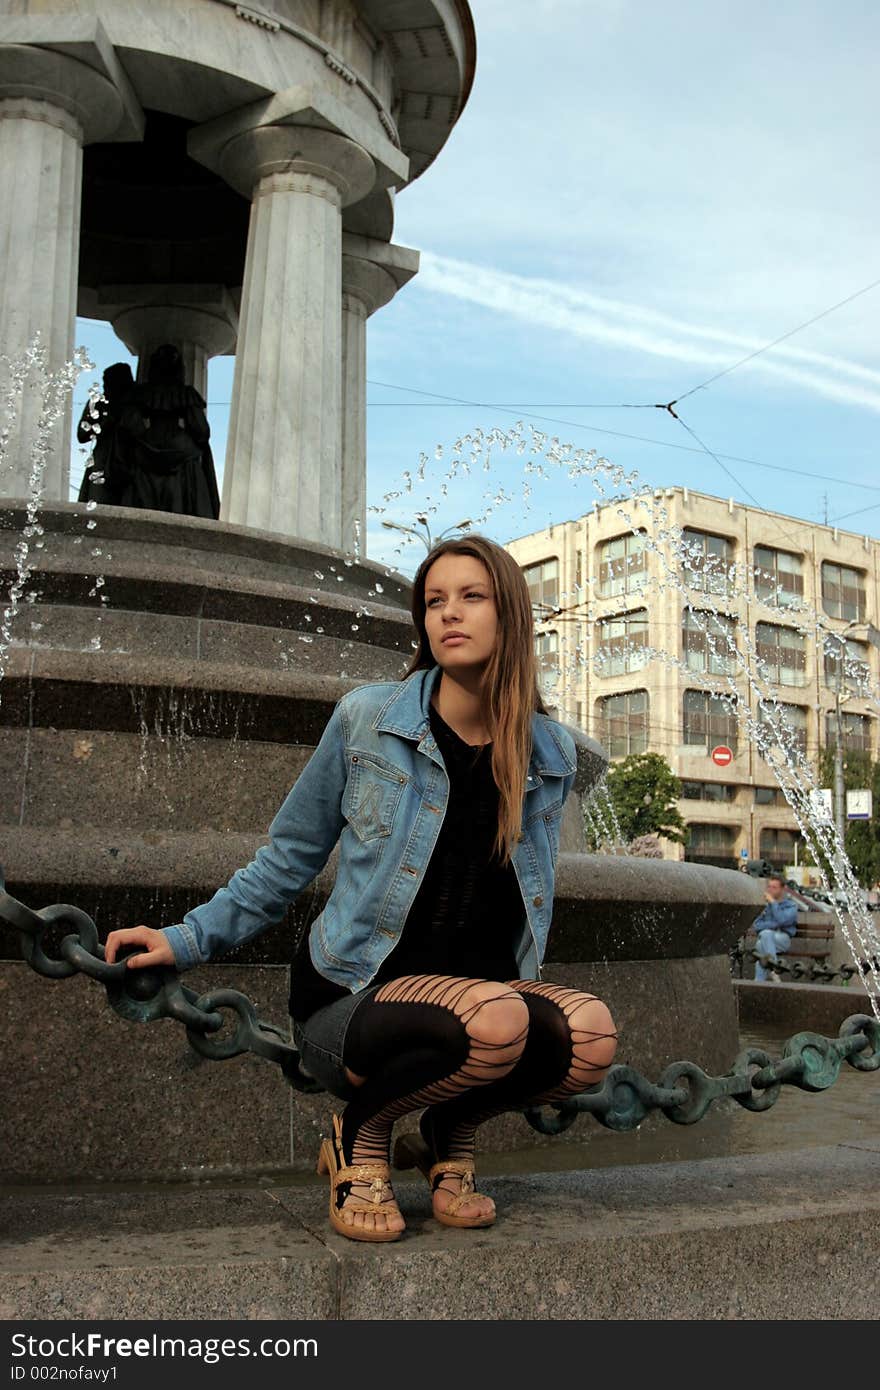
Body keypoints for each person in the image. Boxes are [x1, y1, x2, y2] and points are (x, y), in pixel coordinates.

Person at [104, 534, 618, 1242]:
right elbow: (286, 860)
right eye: (435, 601)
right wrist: (183, 939)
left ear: (511, 617)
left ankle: (448, 1130)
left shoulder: (550, 754)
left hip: (483, 1008)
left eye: (471, 597)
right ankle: (361, 1135)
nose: (448, 614)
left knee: (588, 1034)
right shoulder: (367, 721)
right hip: (355, 998)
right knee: (496, 1016)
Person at [112, 344, 221, 519]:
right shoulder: (186, 394)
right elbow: (201, 432)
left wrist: (142, 441)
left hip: (145, 455)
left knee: (139, 515)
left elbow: (128, 425)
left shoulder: (141, 394)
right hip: (181, 454)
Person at [76, 362, 135, 505]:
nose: (105, 387)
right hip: (102, 460)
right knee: (98, 503)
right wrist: (106, 423)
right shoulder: (97, 403)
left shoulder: (133, 404)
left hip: (129, 460)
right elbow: (81, 435)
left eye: (108, 383)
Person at [752, 872, 799, 981]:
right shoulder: (765, 906)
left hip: (783, 939)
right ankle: (765, 978)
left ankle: (771, 971)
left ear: (783, 889)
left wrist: (773, 902)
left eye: (774, 887)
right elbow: (757, 925)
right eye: (769, 886)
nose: (770, 890)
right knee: (763, 941)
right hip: (766, 939)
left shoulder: (791, 906)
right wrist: (775, 925)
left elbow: (782, 920)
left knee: (763, 940)